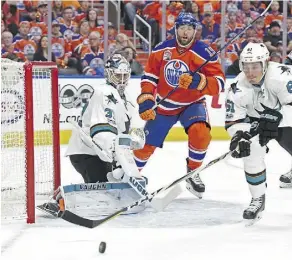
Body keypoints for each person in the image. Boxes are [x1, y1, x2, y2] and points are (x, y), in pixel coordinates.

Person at [38, 54, 146, 217]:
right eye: (118, 75)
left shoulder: (126, 99)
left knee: (117, 186)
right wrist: (115, 155)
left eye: (125, 75)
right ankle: (63, 199)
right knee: (103, 192)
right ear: (110, 74)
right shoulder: (104, 93)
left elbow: (124, 133)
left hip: (104, 153)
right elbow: (101, 129)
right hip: (87, 152)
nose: (122, 80)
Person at [133, 12, 225, 199]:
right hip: (165, 104)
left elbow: (220, 83)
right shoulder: (160, 50)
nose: (185, 32)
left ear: (195, 31)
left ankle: (193, 172)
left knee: (201, 133)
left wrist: (198, 81)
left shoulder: (205, 52)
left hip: (192, 103)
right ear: (175, 29)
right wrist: (147, 99)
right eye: (182, 28)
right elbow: (150, 77)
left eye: (189, 28)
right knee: (145, 146)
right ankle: (130, 176)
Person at [225, 42, 292, 224]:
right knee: (251, 151)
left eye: (255, 66)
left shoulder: (281, 76)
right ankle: (257, 199)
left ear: (266, 63)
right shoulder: (237, 87)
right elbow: (234, 121)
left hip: (285, 119)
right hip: (257, 122)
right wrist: (240, 136)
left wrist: (276, 118)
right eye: (246, 67)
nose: (250, 72)